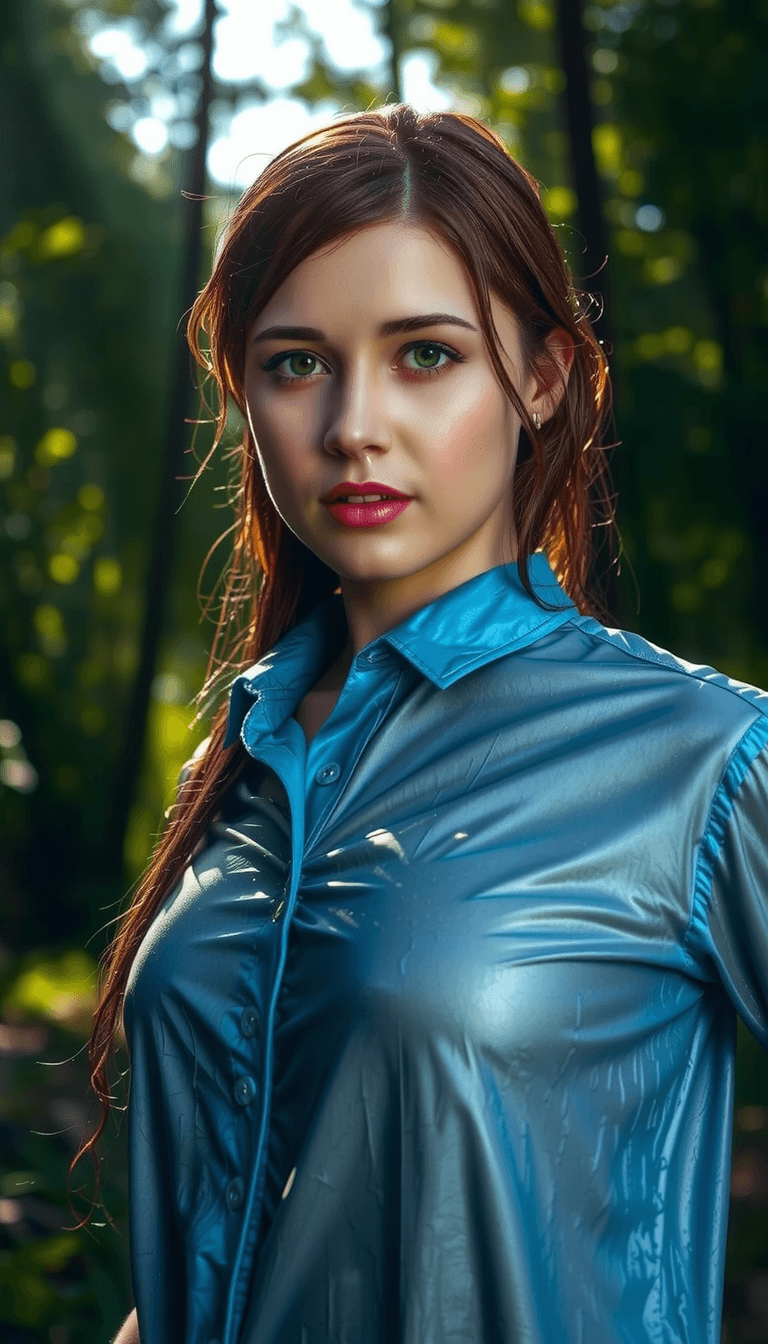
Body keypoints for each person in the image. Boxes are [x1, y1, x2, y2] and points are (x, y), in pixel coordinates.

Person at [81, 105, 768, 1344]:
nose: (353, 424)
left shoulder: (706, 762)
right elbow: (231, 1244)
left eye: (427, 355)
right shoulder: (246, 756)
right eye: (297, 362)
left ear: (545, 379)